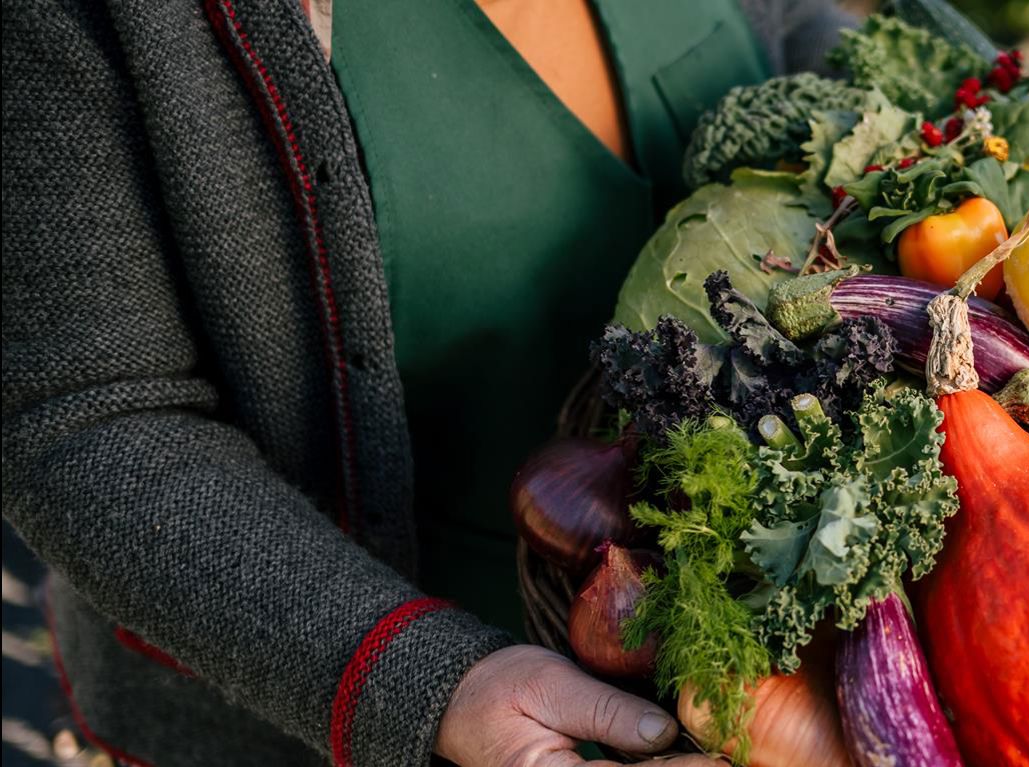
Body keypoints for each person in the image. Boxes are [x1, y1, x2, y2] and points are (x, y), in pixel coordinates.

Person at [1, 1, 851, 765]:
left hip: (762, 650)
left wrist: (945, 114)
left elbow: (791, 27)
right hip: (344, 675)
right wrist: (424, 678)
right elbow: (86, 415)